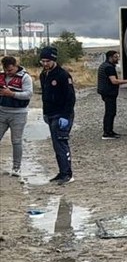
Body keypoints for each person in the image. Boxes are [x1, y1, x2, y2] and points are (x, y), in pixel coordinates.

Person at [39, 46, 76, 184]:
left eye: (47, 61)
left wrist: (66, 116)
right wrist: (44, 112)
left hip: (62, 114)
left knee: (61, 144)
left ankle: (68, 174)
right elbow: (45, 95)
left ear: (53, 59)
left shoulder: (63, 75)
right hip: (50, 113)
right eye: (42, 61)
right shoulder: (43, 75)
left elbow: (71, 97)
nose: (45, 64)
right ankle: (61, 172)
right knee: (56, 145)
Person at [0, 55, 34, 176]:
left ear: (15, 66)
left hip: (18, 113)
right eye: (5, 70)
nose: (7, 72)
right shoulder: (1, 76)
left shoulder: (25, 77)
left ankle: (16, 167)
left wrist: (11, 94)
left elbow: (29, 94)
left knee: (16, 141)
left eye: (10, 70)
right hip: (2, 112)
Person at [97, 50, 127, 139]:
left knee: (110, 112)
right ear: (110, 57)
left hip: (105, 92)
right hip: (109, 93)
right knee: (110, 113)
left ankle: (109, 131)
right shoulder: (109, 67)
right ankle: (107, 133)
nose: (117, 58)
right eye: (115, 57)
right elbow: (114, 81)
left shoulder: (103, 65)